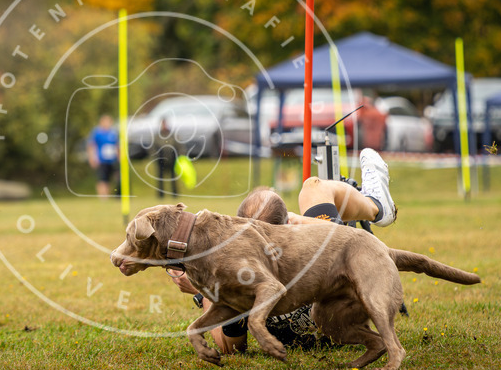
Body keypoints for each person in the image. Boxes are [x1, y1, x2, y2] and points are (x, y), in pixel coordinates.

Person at [168, 148, 396, 354]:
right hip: (351, 299)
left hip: (329, 330)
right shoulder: (320, 248)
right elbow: (344, 240)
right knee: (312, 187)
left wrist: (204, 292)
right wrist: (300, 224)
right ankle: (375, 206)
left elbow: (231, 346)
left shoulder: (238, 273)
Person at [87, 114, 119, 197]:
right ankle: (103, 197)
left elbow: (117, 146)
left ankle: (111, 194)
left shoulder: (113, 133)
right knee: (102, 179)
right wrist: (92, 158)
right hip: (101, 159)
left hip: (112, 159)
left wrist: (119, 157)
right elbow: (91, 145)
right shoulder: (97, 133)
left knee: (113, 177)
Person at [154, 117, 178, 199]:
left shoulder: (172, 134)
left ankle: (175, 194)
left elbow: (178, 145)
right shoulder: (158, 135)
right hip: (160, 158)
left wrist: (180, 155)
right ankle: (161, 195)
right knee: (160, 178)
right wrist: (155, 157)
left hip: (171, 157)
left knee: (173, 177)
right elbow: (153, 147)